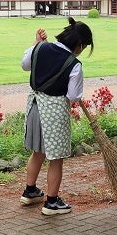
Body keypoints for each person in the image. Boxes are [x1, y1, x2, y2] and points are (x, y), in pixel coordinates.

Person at [20, 17, 94, 215]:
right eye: (84, 47)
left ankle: (30, 191)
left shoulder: (40, 48)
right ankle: (51, 202)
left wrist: (36, 43)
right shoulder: (74, 64)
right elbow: (73, 96)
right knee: (56, 158)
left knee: (38, 152)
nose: (82, 50)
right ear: (79, 44)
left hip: (35, 107)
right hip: (54, 112)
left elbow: (25, 65)